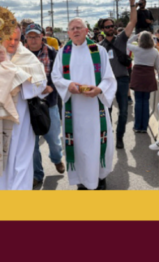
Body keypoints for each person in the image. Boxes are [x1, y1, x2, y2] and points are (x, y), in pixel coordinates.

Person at [0, 26, 48, 190]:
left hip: (19, 119)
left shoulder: (27, 57)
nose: (12, 43)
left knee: (20, 161)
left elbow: (40, 85)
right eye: (8, 38)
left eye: (16, 39)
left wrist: (12, 71)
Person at [51, 18, 116, 190]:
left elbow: (109, 78)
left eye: (78, 27)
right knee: (79, 144)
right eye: (72, 28)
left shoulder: (98, 50)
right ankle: (82, 180)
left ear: (86, 30)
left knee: (97, 142)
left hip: (95, 108)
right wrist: (68, 85)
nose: (75, 30)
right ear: (68, 33)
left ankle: (100, 178)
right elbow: (56, 77)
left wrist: (99, 90)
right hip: (74, 110)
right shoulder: (63, 52)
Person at [25, 24, 65, 188]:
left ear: (42, 36)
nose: (33, 40)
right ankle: (37, 174)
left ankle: (56, 159)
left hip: (49, 103)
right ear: (25, 38)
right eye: (30, 36)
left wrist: (52, 88)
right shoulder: (20, 55)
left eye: (36, 36)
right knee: (31, 144)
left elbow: (61, 75)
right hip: (27, 106)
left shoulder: (53, 53)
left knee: (53, 139)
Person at [98, 0, 138, 150]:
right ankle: (107, 135)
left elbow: (133, 21)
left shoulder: (121, 38)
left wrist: (132, 4)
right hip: (106, 83)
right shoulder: (99, 47)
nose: (110, 28)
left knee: (123, 112)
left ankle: (120, 138)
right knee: (106, 112)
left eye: (112, 26)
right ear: (102, 29)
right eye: (107, 26)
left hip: (122, 80)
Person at [127, 31, 159, 134]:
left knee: (138, 101)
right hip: (149, 76)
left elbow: (126, 43)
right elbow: (157, 67)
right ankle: (144, 127)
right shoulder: (154, 51)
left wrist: (136, 35)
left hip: (138, 76)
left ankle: (137, 126)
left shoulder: (137, 49)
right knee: (146, 101)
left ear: (140, 40)